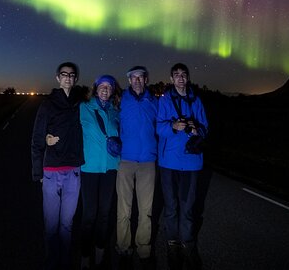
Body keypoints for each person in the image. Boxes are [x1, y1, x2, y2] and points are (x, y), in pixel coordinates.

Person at [31, 62, 86, 270]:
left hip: (73, 170)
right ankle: (52, 261)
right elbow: (36, 140)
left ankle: (64, 262)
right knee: (52, 224)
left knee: (67, 224)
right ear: (57, 78)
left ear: (76, 79)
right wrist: (39, 174)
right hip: (51, 171)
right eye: (64, 74)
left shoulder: (81, 104)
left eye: (72, 75)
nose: (68, 78)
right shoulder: (47, 104)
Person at [156, 63, 208, 270]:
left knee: (187, 207)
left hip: (191, 162)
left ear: (187, 78)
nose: (180, 78)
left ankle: (188, 244)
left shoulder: (196, 100)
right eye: (176, 75)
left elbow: (205, 127)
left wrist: (198, 131)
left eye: (183, 75)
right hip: (169, 163)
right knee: (171, 207)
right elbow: (159, 127)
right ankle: (172, 243)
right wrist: (172, 126)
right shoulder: (165, 100)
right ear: (171, 79)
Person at [115, 66, 158, 269]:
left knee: (146, 210)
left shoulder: (155, 101)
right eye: (134, 78)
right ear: (129, 81)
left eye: (141, 78)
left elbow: (163, 126)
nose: (137, 81)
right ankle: (123, 248)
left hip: (148, 162)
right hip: (126, 160)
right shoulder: (121, 99)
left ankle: (143, 249)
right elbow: (110, 120)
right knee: (124, 209)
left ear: (146, 80)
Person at [79, 75, 121, 269]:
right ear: (95, 89)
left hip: (110, 169)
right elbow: (68, 127)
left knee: (105, 213)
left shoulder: (115, 112)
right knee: (89, 215)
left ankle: (100, 250)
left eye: (109, 87)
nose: (105, 89)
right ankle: (85, 255)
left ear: (113, 91)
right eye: (102, 86)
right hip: (89, 169)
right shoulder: (84, 108)